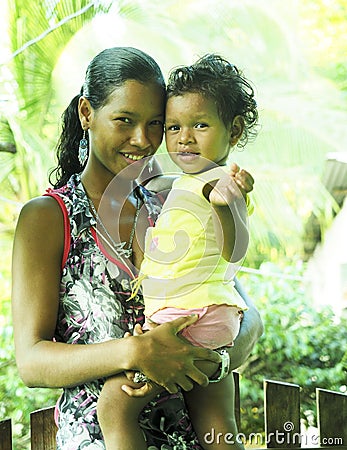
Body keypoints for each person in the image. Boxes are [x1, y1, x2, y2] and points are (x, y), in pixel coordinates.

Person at [11, 47, 263, 450]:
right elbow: (31, 360)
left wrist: (209, 363)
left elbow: (246, 318)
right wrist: (137, 352)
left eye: (155, 124)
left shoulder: (174, 203)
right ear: (86, 114)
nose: (142, 140)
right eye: (124, 121)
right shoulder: (48, 218)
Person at [96, 54, 259, 450]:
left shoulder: (218, 184)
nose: (184, 137)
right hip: (203, 317)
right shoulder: (188, 181)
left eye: (200, 125)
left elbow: (236, 246)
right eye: (173, 127)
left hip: (190, 319)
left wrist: (227, 208)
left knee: (115, 407)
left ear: (234, 131)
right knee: (219, 426)